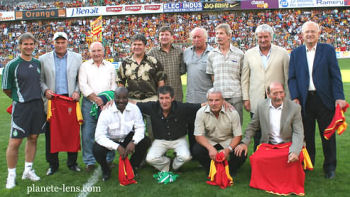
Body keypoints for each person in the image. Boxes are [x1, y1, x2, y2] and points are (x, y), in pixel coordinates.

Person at [288, 21, 346, 179]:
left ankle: (330, 167)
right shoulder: (296, 53)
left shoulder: (327, 50)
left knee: (327, 135)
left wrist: (339, 97)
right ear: (302, 34)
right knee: (306, 136)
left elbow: (336, 76)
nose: (310, 34)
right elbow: (292, 78)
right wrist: (294, 97)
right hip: (305, 101)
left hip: (324, 100)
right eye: (307, 32)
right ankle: (308, 163)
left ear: (319, 33)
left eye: (313, 31)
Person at [235, 82, 304, 195]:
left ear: (284, 92)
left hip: (287, 144)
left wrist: (295, 151)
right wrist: (244, 142)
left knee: (293, 160)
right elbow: (253, 126)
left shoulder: (294, 108)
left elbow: (298, 132)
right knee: (257, 159)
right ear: (268, 94)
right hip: (268, 145)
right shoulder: (261, 105)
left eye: (281, 92)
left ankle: (286, 184)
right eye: (275, 93)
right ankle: (264, 184)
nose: (278, 96)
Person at [2, 33, 46, 189]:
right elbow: (6, 89)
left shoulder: (37, 63)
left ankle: (28, 170)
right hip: (21, 107)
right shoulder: (12, 65)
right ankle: (11, 175)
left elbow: (40, 83)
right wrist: (19, 98)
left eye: (31, 44)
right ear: (19, 46)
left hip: (37, 106)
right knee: (15, 142)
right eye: (25, 44)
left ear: (35, 45)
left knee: (33, 138)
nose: (28, 47)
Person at [241, 24, 290, 151]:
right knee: (257, 132)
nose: (263, 40)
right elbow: (245, 79)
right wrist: (246, 98)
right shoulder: (249, 54)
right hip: (256, 100)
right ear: (256, 37)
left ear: (271, 37)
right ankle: (259, 160)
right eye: (260, 37)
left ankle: (276, 160)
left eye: (265, 37)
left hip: (278, 100)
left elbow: (288, 78)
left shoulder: (283, 53)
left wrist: (288, 99)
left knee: (277, 132)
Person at [39, 32, 82, 175]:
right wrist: (45, 90)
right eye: (57, 42)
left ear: (67, 43)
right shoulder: (43, 59)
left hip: (70, 101)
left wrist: (77, 91)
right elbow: (40, 80)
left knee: (71, 132)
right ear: (53, 43)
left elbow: (79, 79)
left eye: (63, 42)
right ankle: (53, 164)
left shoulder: (77, 57)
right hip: (52, 101)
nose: (60, 45)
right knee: (51, 134)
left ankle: (72, 162)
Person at [136, 86, 202, 172]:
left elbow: (201, 105)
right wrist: (114, 101)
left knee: (186, 157)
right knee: (150, 159)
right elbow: (134, 103)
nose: (164, 102)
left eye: (167, 98)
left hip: (179, 139)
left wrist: (222, 103)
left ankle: (174, 166)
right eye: (161, 98)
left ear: (172, 98)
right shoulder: (152, 106)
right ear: (158, 98)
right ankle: (167, 163)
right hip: (160, 140)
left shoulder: (181, 107)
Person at [93, 87, 151, 181]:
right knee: (96, 149)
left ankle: (132, 166)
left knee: (145, 141)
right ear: (114, 98)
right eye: (118, 98)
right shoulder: (106, 112)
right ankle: (106, 170)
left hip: (127, 137)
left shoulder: (134, 109)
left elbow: (140, 128)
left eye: (124, 98)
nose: (121, 101)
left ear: (128, 98)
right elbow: (99, 136)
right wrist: (117, 147)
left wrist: (133, 142)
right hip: (111, 139)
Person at [79, 42, 117, 172]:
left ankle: (109, 159)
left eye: (99, 51)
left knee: (109, 132)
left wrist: (107, 99)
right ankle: (89, 161)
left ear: (104, 52)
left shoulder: (110, 66)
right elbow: (83, 84)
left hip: (107, 104)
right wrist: (96, 99)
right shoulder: (84, 66)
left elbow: (114, 85)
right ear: (89, 52)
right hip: (89, 103)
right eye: (93, 51)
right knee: (88, 133)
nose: (96, 53)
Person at [192, 88, 246, 176]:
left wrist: (228, 150)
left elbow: (238, 136)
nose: (213, 103)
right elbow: (198, 136)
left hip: (228, 140)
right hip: (211, 140)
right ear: (207, 101)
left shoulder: (233, 113)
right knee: (197, 150)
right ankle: (211, 169)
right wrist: (210, 148)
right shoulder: (201, 112)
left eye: (217, 100)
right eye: (210, 100)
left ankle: (230, 170)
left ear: (223, 101)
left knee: (241, 153)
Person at [206, 23, 244, 124]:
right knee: (220, 128)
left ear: (229, 35)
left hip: (235, 96)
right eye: (216, 33)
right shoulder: (211, 55)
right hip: (218, 98)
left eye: (221, 33)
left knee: (236, 127)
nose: (218, 36)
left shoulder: (239, 54)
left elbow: (242, 76)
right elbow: (212, 77)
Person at [183, 27, 213, 154]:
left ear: (205, 38)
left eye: (199, 37)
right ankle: (194, 153)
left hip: (207, 99)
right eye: (194, 37)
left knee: (208, 128)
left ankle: (208, 152)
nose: (196, 39)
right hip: (191, 99)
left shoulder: (213, 52)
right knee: (192, 128)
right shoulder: (186, 52)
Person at [117, 34, 166, 102]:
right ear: (131, 46)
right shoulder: (125, 63)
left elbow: (161, 81)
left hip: (151, 100)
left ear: (145, 46)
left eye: (140, 44)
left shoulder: (154, 61)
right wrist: (123, 98)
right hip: (131, 101)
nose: (137, 47)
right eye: (135, 44)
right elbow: (120, 82)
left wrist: (160, 98)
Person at [148, 26, 186, 102]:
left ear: (172, 37)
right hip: (160, 94)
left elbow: (182, 70)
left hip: (176, 93)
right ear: (158, 38)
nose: (164, 37)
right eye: (162, 35)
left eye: (167, 34)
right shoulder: (152, 52)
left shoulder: (179, 51)